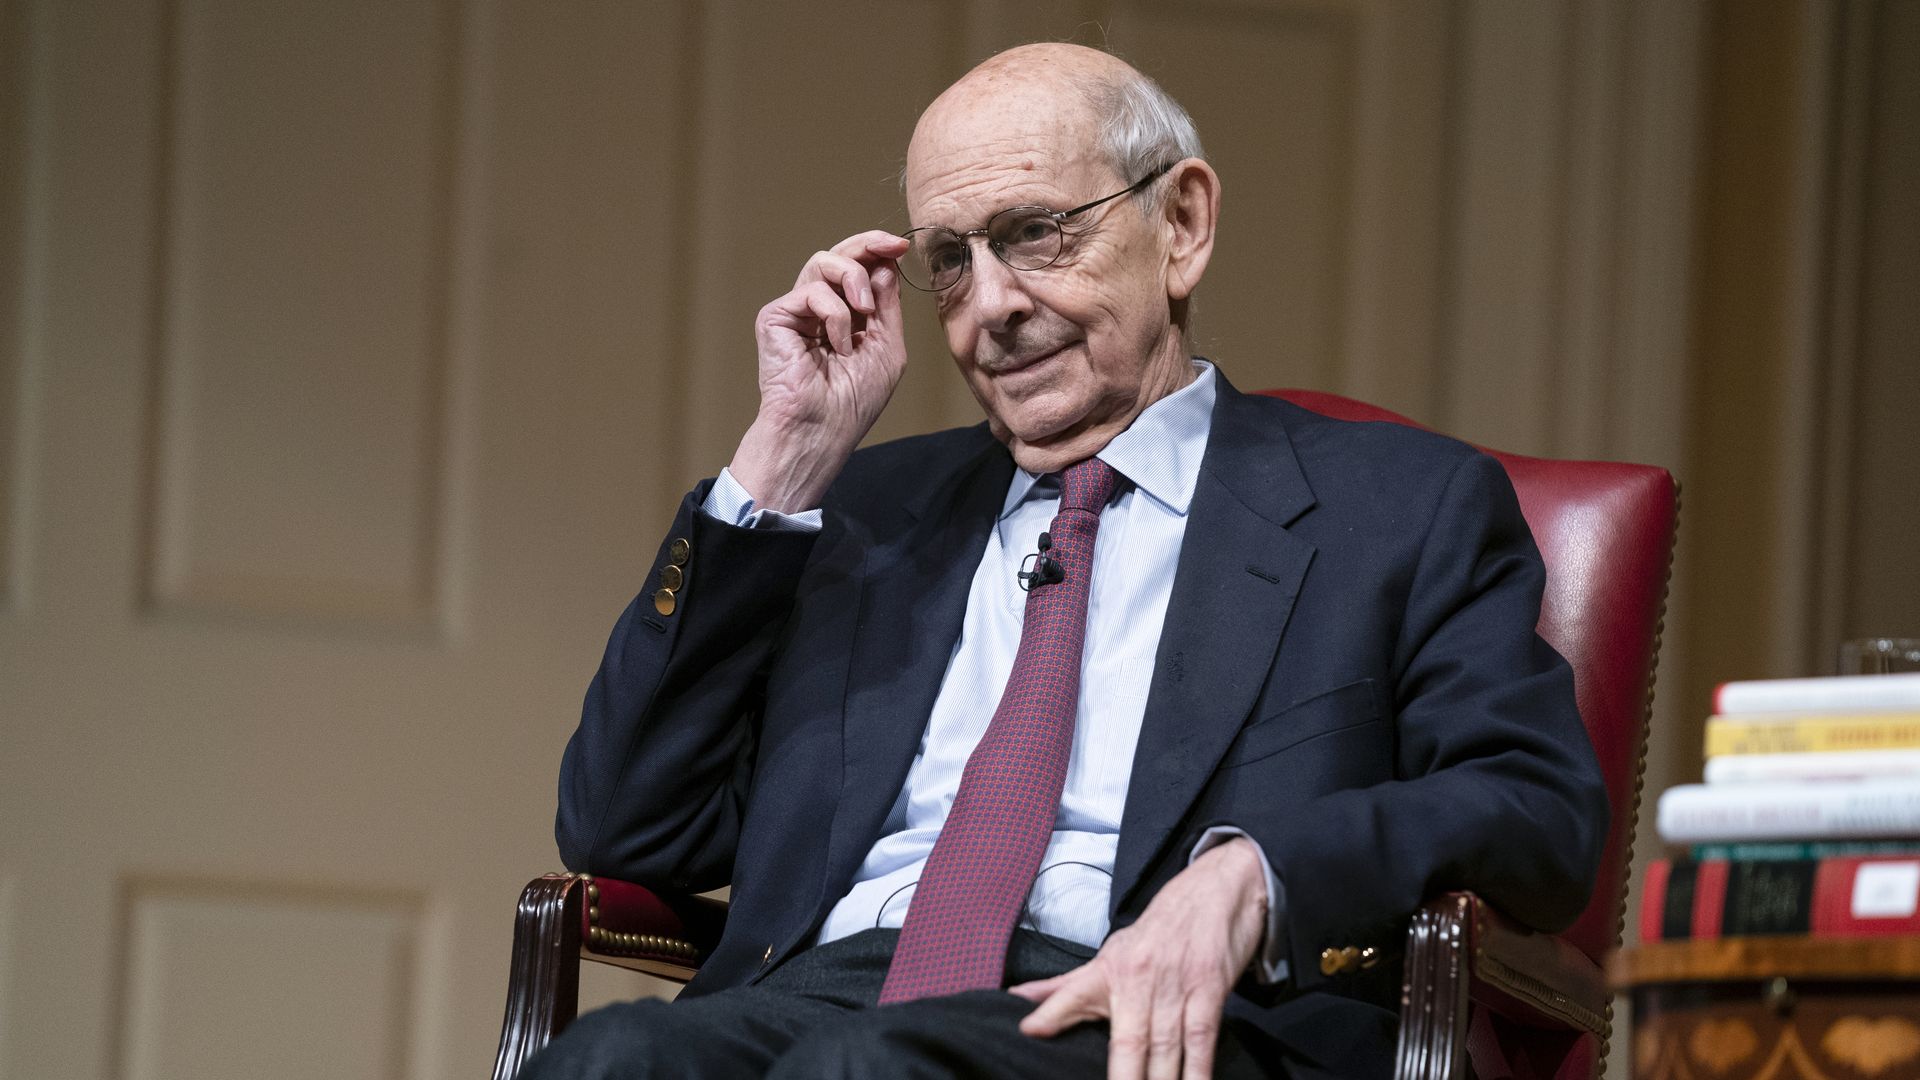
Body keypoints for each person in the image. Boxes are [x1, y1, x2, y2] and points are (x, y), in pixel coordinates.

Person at [525, 42, 1607, 1080]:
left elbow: (1536, 809)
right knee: (612, 1058)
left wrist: (1260, 876)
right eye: (952, 259)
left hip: (1151, 1015)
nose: (991, 305)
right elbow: (629, 826)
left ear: (1181, 224)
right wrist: (782, 466)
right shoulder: (863, 516)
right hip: (820, 997)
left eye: (1036, 233)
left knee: (871, 1069)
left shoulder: (1397, 509)